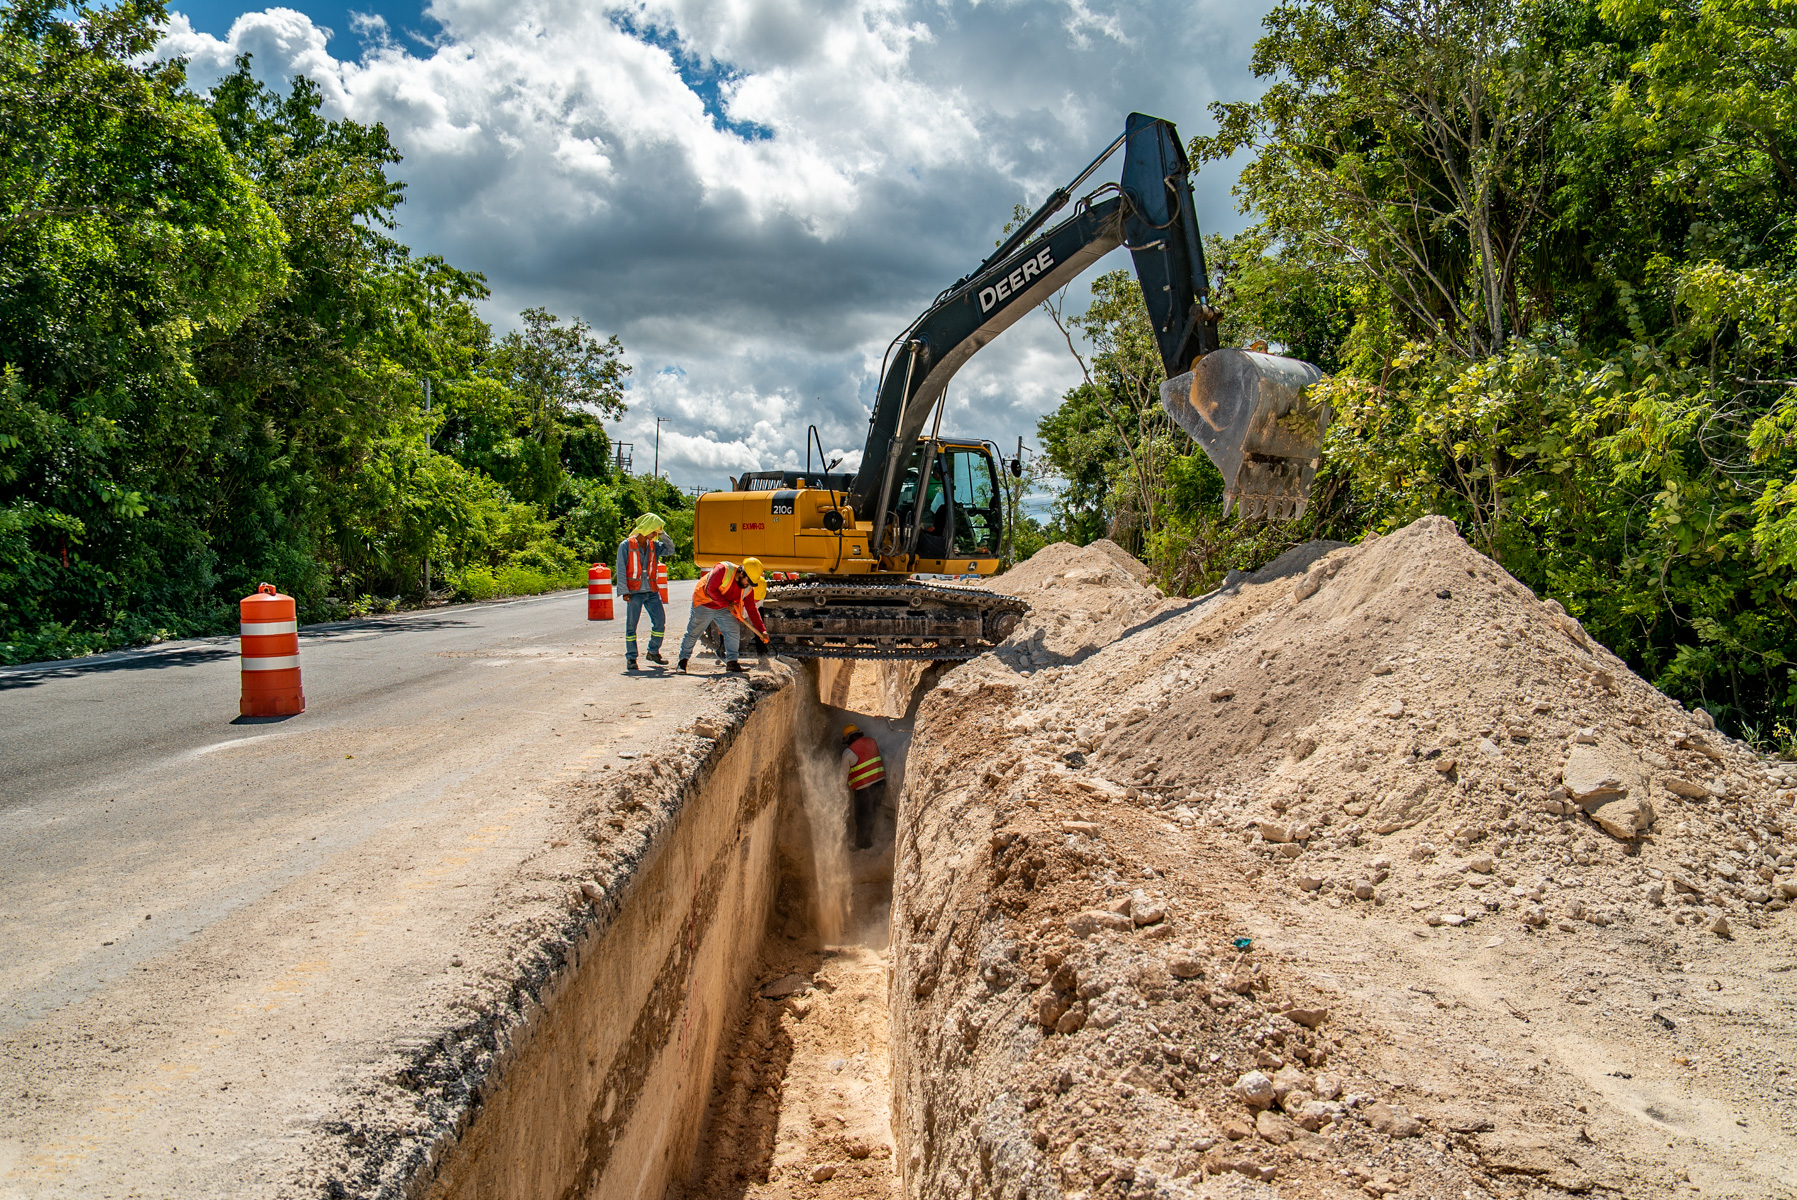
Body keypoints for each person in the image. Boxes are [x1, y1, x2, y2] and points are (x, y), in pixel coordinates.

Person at [677, 557, 767, 673]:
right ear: (741, 573)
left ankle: (732, 663)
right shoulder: (723, 570)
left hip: (724, 607)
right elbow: (710, 589)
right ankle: (682, 661)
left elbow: (752, 610)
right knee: (694, 632)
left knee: (733, 631)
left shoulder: (748, 587)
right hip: (705, 603)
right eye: (747, 581)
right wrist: (726, 603)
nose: (747, 585)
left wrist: (762, 630)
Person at [616, 513, 675, 672]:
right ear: (646, 529)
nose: (655, 534)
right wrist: (624, 591)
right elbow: (621, 569)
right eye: (654, 531)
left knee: (659, 620)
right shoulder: (626, 545)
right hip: (634, 592)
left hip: (651, 592)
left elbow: (670, 550)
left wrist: (663, 534)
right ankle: (631, 658)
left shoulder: (654, 545)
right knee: (631, 626)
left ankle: (653, 651)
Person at [839, 724, 885, 850]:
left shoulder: (848, 753)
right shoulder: (872, 741)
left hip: (864, 790)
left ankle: (862, 844)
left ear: (848, 738)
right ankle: (868, 840)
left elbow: (843, 776)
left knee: (862, 816)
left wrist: (840, 791)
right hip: (880, 783)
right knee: (872, 813)